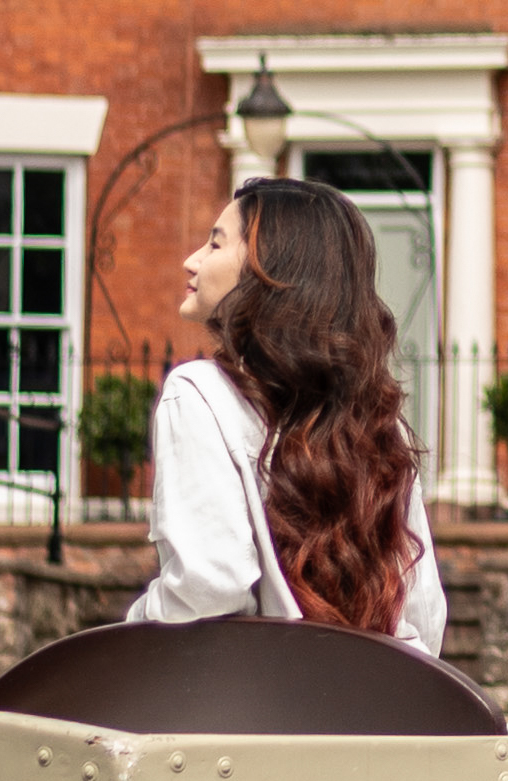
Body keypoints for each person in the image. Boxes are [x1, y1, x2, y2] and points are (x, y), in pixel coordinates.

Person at [126, 174, 443, 650]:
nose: (191, 260)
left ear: (267, 270)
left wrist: (137, 621)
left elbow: (209, 583)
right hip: (383, 710)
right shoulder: (380, 424)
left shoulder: (198, 393)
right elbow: (424, 615)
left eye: (215, 244)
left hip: (262, 714)